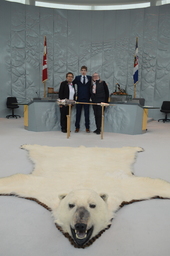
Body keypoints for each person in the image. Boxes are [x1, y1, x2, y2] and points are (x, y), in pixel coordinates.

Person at [73, 66, 91, 133]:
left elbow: (94, 84)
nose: (83, 71)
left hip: (87, 98)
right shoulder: (77, 78)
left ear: (86, 71)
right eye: (82, 70)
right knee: (78, 113)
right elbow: (72, 84)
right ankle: (77, 127)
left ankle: (87, 127)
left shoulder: (90, 78)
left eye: (84, 70)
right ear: (80, 71)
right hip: (79, 98)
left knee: (87, 114)